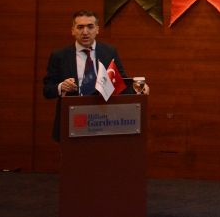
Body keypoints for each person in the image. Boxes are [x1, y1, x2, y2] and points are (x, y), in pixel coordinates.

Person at [43, 10, 149, 141]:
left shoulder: (109, 52)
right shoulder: (60, 56)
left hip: (103, 120)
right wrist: (61, 87)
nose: (85, 32)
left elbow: (120, 83)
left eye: (90, 26)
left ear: (97, 29)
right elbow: (47, 90)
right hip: (72, 121)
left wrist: (138, 88)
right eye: (80, 27)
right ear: (73, 30)